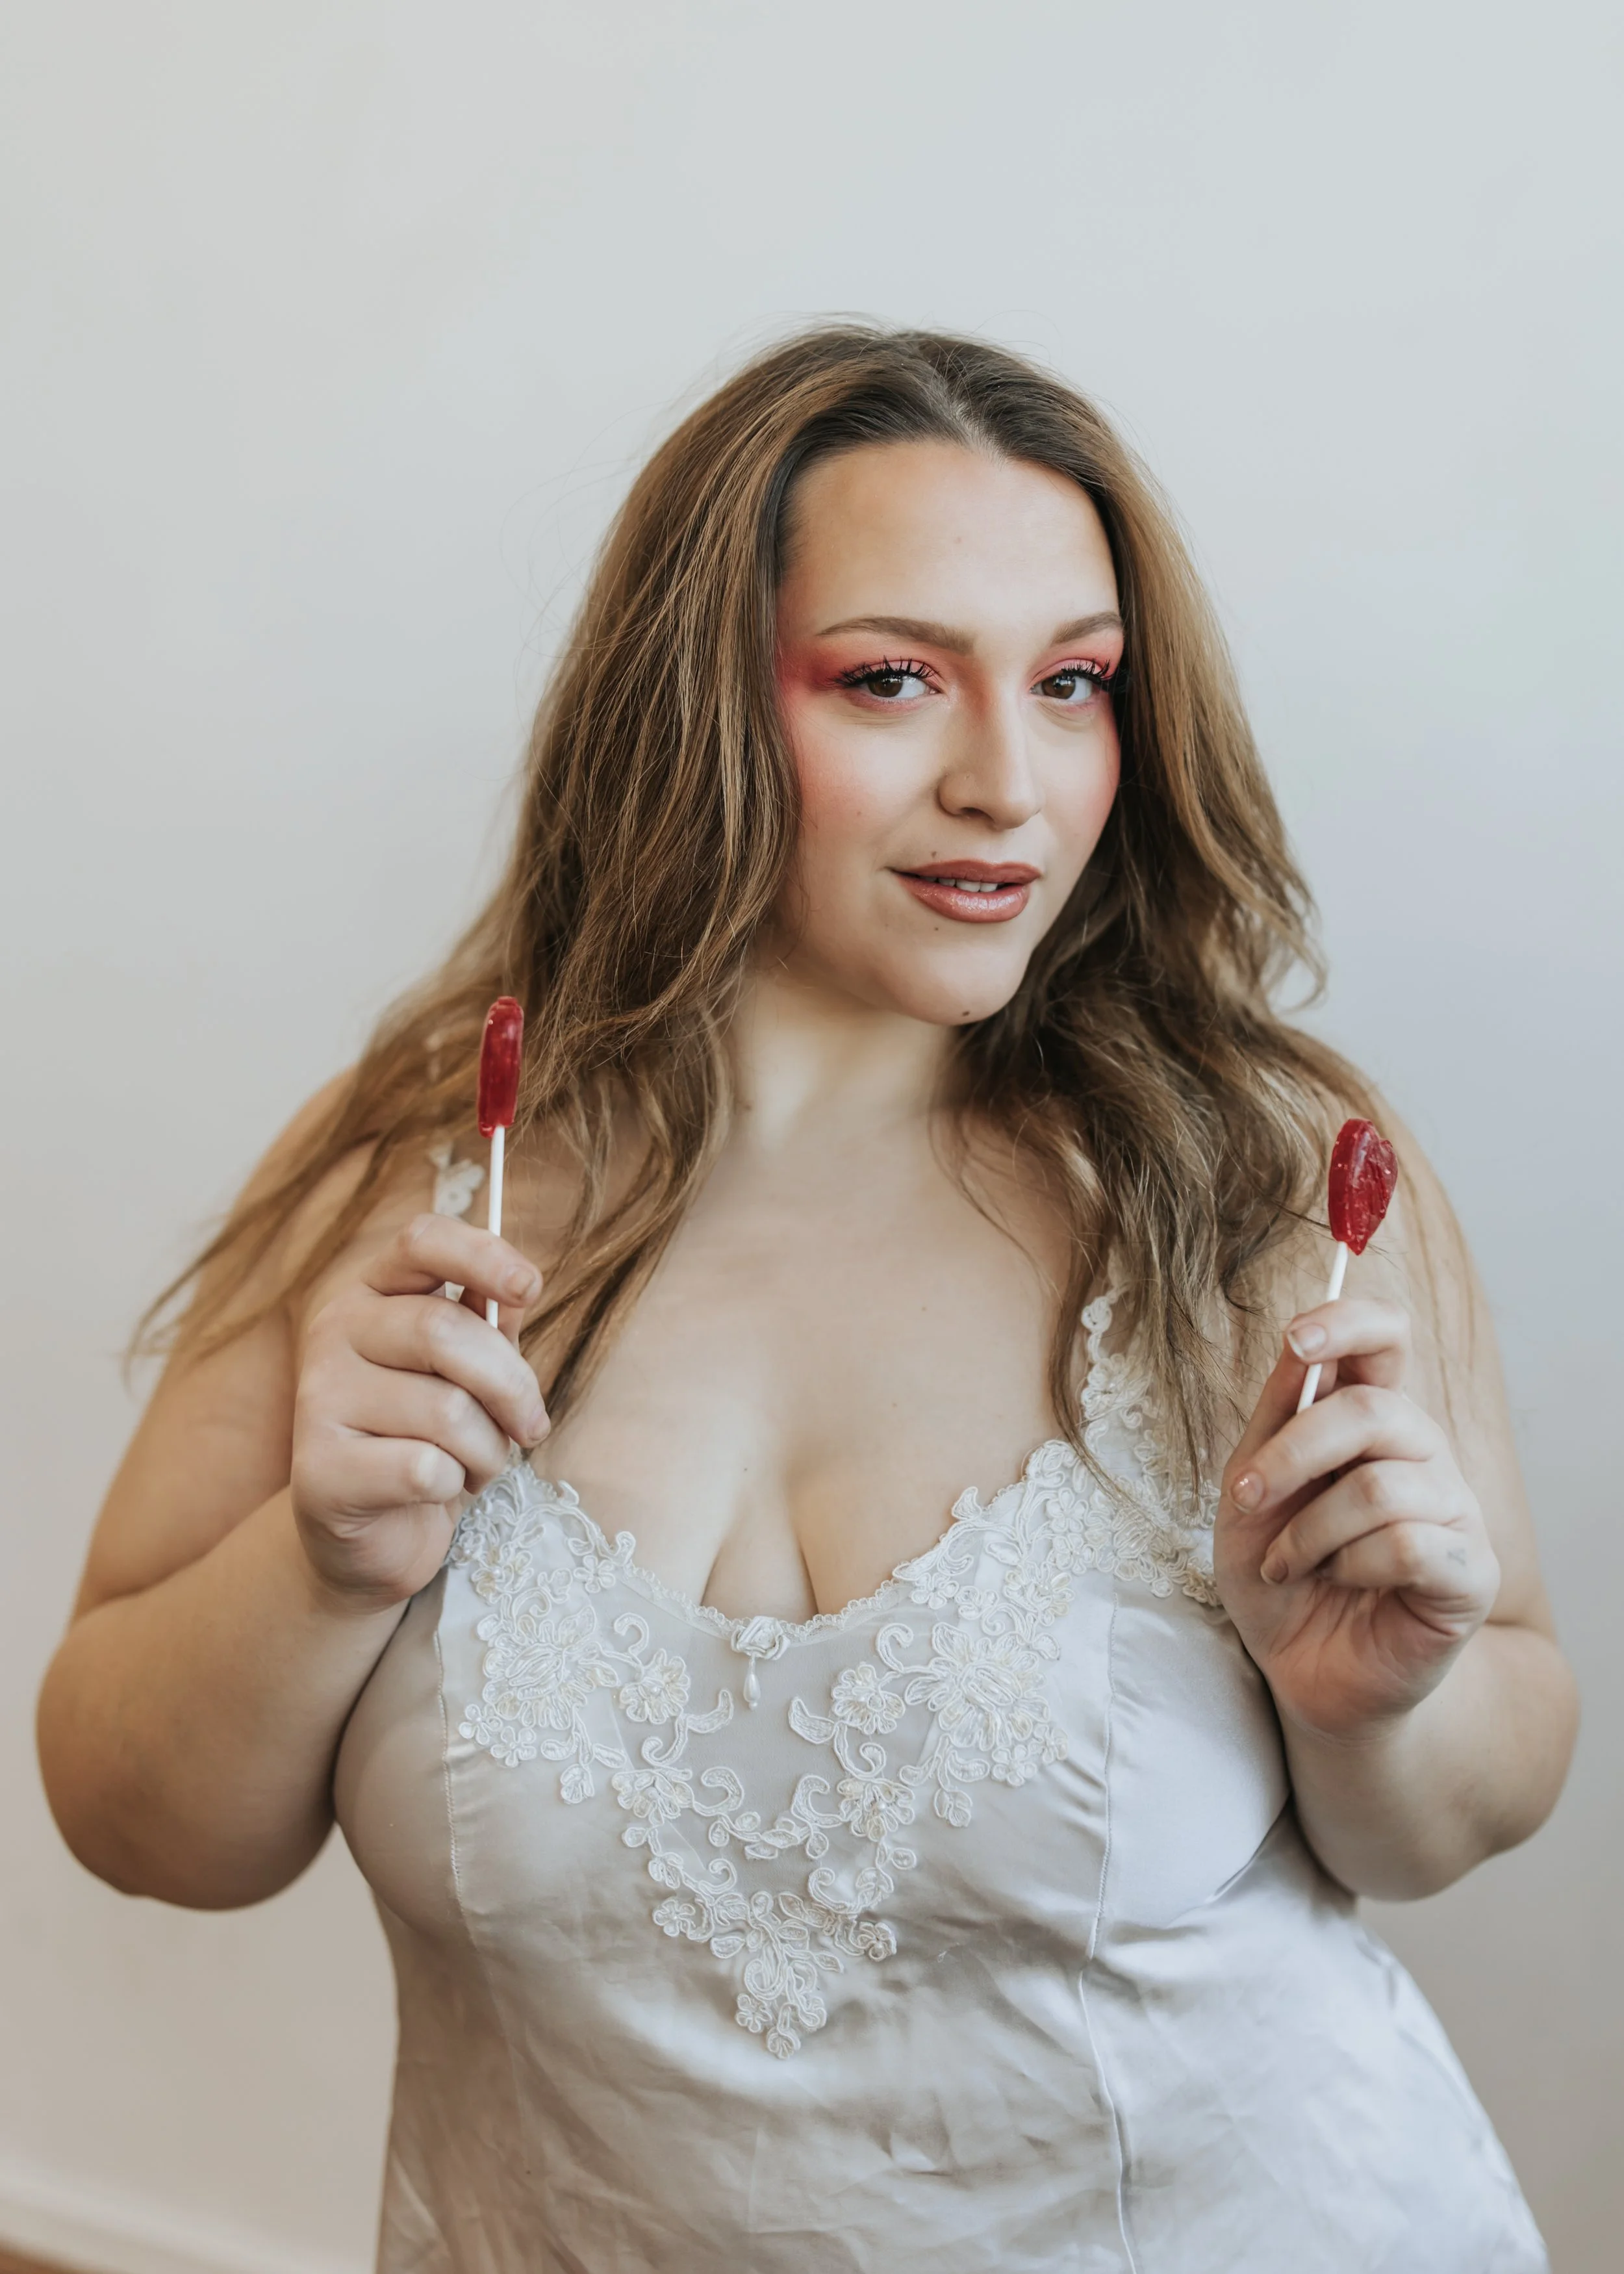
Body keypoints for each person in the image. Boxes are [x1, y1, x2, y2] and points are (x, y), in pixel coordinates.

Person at [38, 327, 1575, 2273]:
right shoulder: (421, 1176)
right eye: (890, 679)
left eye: (1076, 683)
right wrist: (324, 1567)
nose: (1006, 783)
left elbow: (1453, 1805)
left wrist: (1377, 1713)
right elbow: (136, 1817)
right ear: (691, 700)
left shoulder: (1266, 1185)